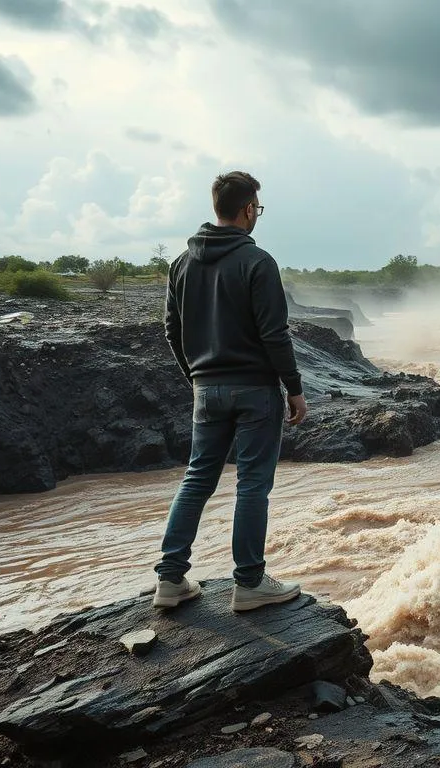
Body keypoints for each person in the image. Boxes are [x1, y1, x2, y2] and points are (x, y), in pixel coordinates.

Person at [152, 171, 309, 612]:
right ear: (246, 209)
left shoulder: (181, 263)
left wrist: (197, 378)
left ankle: (170, 580)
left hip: (207, 389)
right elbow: (274, 334)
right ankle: (250, 583)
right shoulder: (258, 262)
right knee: (253, 484)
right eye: (256, 208)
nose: (256, 215)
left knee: (197, 477)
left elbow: (172, 329)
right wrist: (294, 388)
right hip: (256, 390)